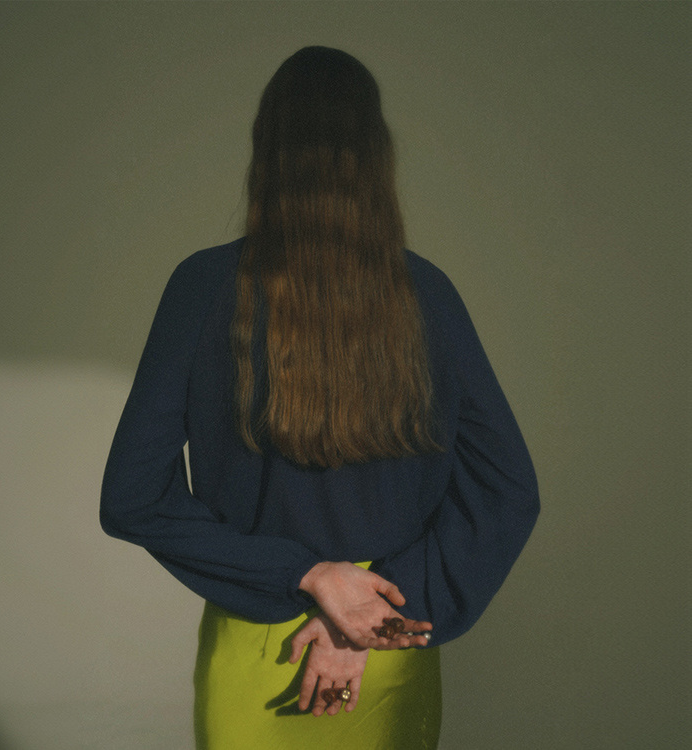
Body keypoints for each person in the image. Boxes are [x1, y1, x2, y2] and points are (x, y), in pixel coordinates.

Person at [100, 46, 539, 749]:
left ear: (266, 152)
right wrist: (370, 619)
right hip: (388, 636)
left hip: (259, 643)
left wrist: (305, 576)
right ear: (375, 159)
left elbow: (133, 495)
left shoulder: (202, 288)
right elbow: (507, 489)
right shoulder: (427, 293)